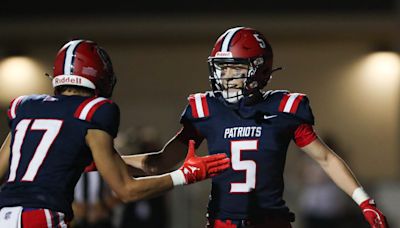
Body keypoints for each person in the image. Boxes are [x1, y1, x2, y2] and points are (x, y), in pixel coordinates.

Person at [122, 27, 389, 228]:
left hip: (271, 222)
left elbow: (326, 158)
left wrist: (365, 201)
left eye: (234, 68)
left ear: (259, 70)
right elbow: (159, 163)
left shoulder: (284, 109)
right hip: (222, 223)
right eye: (221, 69)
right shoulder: (204, 110)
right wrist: (101, 160)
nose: (224, 76)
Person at [0, 39, 230, 228]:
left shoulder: (25, 107)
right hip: (42, 218)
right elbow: (127, 190)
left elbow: (149, 165)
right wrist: (184, 176)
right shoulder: (91, 111)